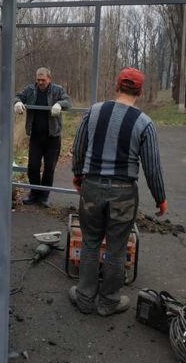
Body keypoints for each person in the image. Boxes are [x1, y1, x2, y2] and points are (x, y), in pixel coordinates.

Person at [70, 67, 168, 317]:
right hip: (124, 193)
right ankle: (109, 302)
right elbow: (152, 167)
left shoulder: (93, 111)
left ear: (117, 86)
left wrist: (79, 175)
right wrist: (161, 198)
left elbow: (79, 147)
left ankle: (84, 298)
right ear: (140, 91)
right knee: (116, 247)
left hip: (92, 188)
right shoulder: (145, 123)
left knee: (91, 243)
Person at [14, 67, 72, 208]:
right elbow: (17, 96)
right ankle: (34, 193)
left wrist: (59, 104)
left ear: (49, 79)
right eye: (38, 79)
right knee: (33, 166)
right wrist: (17, 102)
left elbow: (68, 102)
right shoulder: (30, 90)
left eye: (43, 80)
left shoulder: (57, 90)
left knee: (49, 168)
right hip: (35, 136)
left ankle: (44, 195)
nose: (40, 82)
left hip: (53, 136)